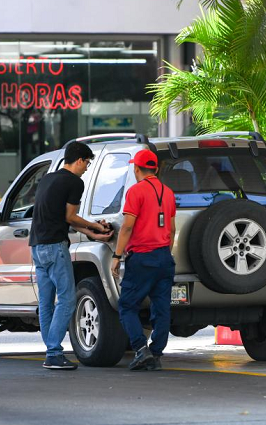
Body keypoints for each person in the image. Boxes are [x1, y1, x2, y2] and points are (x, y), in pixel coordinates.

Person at [29, 141, 114, 370]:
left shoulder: (48, 178)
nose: (86, 168)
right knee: (67, 300)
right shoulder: (74, 182)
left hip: (37, 247)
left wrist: (93, 232)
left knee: (46, 303)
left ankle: (51, 351)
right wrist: (93, 226)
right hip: (55, 247)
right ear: (78, 160)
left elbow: (63, 219)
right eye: (86, 163)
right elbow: (72, 216)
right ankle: (54, 353)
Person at [111, 149, 176, 371]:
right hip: (164, 257)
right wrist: (164, 252)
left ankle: (141, 349)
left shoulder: (135, 192)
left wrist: (116, 256)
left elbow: (127, 226)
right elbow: (172, 229)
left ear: (136, 169)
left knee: (127, 305)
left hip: (142, 258)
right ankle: (156, 354)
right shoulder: (168, 193)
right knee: (162, 308)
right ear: (156, 169)